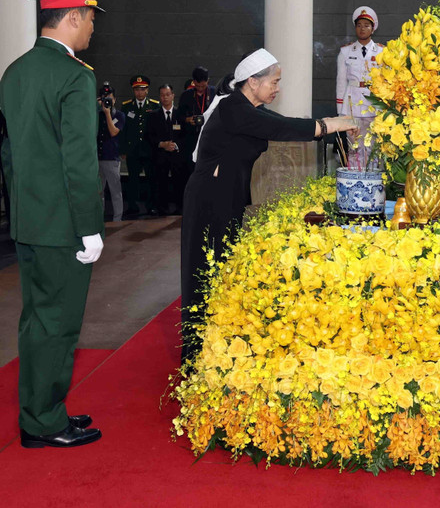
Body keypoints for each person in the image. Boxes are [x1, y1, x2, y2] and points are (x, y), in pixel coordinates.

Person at [181, 49, 357, 364]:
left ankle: (220, 346)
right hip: (210, 198)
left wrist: (332, 126)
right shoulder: (234, 109)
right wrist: (335, 123)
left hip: (227, 195)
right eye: (273, 82)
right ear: (252, 81)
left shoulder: (248, 108)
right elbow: (283, 128)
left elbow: (282, 123)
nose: (277, 88)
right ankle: (198, 356)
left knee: (223, 268)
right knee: (206, 271)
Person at [0, 0, 106, 449]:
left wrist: (22, 207)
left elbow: (9, 153)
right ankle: (43, 423)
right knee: (58, 324)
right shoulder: (74, 76)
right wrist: (90, 226)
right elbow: (78, 161)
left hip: (29, 219)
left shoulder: (16, 72)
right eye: (91, 19)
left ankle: (42, 409)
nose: (93, 29)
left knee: (37, 320)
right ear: (74, 17)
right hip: (63, 225)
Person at [336, 6, 383, 168]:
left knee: (373, 148)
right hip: (352, 106)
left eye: (366, 25)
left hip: (373, 106)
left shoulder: (382, 51)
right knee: (354, 147)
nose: (362, 29)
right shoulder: (346, 51)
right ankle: (355, 178)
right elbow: (341, 82)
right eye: (359, 25)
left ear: (373, 28)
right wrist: (341, 111)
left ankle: (372, 178)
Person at [120, 75, 159, 216]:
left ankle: (151, 206)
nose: (140, 92)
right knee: (133, 180)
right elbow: (123, 130)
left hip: (149, 149)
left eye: (142, 89)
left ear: (147, 90)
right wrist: (123, 150)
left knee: (151, 179)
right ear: (133, 91)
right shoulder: (126, 106)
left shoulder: (154, 106)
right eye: (137, 89)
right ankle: (133, 206)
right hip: (133, 150)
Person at [146, 83, 186, 215]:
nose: (165, 97)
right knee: (160, 183)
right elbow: (149, 136)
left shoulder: (180, 114)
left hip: (177, 155)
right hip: (160, 156)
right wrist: (162, 144)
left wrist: (175, 145)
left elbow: (186, 135)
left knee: (179, 182)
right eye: (162, 95)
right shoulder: (153, 115)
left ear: (173, 95)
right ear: (159, 97)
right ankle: (162, 209)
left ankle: (179, 208)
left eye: (168, 94)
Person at [97, 83, 125, 222]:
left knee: (115, 191)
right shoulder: (96, 114)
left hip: (112, 158)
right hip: (97, 157)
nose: (107, 101)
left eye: (110, 98)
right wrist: (95, 107)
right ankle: (98, 218)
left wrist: (107, 113)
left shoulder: (119, 115)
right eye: (104, 98)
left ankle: (117, 219)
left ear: (114, 100)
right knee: (98, 191)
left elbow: (113, 132)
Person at [179, 65, 216, 168]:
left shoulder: (214, 93)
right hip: (191, 138)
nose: (200, 89)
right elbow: (178, 116)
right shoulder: (186, 95)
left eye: (203, 86)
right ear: (194, 82)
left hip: (210, 137)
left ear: (208, 81)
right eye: (197, 86)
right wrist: (187, 119)